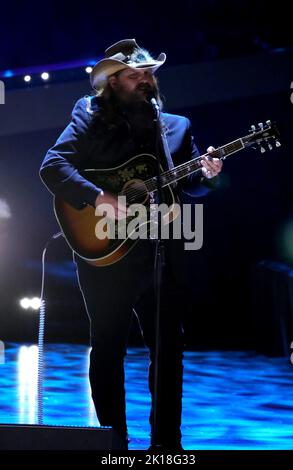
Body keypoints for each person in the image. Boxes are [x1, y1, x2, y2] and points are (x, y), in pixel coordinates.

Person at [40, 38, 223, 451]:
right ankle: (113, 443)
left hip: (161, 248)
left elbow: (188, 186)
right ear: (113, 82)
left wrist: (207, 174)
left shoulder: (176, 126)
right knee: (108, 346)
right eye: (134, 75)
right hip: (104, 249)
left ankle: (167, 447)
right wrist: (98, 196)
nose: (144, 81)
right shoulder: (90, 115)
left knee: (169, 348)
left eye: (148, 75)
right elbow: (53, 166)